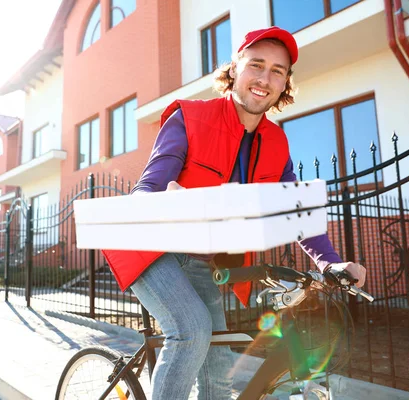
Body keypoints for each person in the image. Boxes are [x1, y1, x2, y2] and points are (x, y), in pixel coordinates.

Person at [102, 26, 367, 400]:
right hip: (152, 251)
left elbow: (296, 211)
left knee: (218, 369)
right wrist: (166, 197)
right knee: (192, 331)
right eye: (256, 65)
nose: (264, 78)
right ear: (235, 70)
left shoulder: (276, 142)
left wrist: (330, 264)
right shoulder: (189, 118)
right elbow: (147, 188)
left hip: (204, 260)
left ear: (285, 82)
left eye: (277, 70)